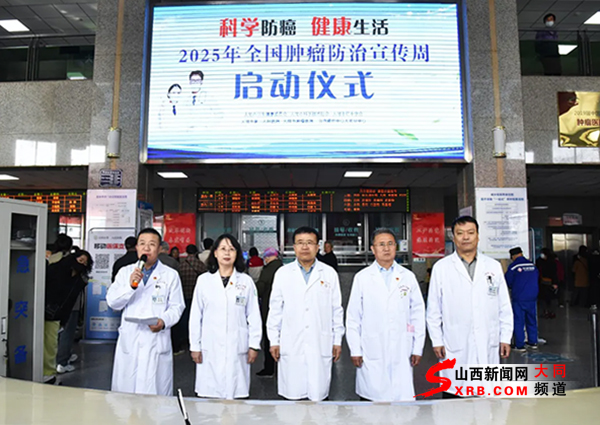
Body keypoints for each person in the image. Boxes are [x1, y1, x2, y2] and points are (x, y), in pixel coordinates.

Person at [426, 216, 513, 398]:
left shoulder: (493, 266)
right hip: (454, 342)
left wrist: (505, 337)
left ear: (478, 236)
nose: (465, 237)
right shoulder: (441, 268)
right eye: (460, 233)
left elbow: (504, 306)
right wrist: (437, 340)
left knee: (487, 400)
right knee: (454, 398)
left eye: (470, 233)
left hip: (487, 340)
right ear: (453, 237)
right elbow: (433, 310)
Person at [346, 228, 425, 401]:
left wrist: (417, 347)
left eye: (390, 244)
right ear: (373, 249)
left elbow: (418, 315)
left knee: (401, 403)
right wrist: (355, 349)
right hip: (371, 346)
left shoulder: (408, 277)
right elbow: (353, 317)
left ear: (396, 247)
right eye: (381, 244)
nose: (386, 248)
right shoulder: (362, 278)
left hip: (402, 346)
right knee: (372, 402)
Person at [267, 226, 345, 401]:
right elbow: (275, 310)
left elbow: (336, 310)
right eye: (300, 243)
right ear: (294, 247)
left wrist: (337, 340)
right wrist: (274, 340)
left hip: (320, 342)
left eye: (310, 243)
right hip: (291, 342)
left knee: (318, 399)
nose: (305, 247)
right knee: (293, 400)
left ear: (317, 247)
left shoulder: (329, 273)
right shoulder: (283, 274)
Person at [106, 228, 185, 396]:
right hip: (131, 338)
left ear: (159, 249)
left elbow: (177, 306)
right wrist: (130, 286)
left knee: (155, 397)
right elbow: (113, 302)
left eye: (152, 244)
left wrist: (163, 321)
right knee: (126, 398)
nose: (146, 248)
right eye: (142, 244)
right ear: (137, 248)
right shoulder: (125, 272)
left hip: (156, 339)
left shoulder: (170, 275)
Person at [189, 234, 262, 399]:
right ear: (215, 253)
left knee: (236, 396)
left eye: (231, 249)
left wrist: (254, 345)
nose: (227, 253)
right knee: (209, 399)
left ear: (237, 254)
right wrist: (195, 346)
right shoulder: (204, 281)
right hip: (210, 346)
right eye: (223, 249)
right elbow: (196, 316)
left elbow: (253, 316)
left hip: (237, 346)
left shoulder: (246, 281)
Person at [44, 250, 92, 383]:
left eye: (85, 263)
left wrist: (63, 319)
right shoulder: (56, 270)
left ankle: (48, 373)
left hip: (57, 315)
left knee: (51, 343)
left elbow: (70, 301)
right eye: (80, 260)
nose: (82, 264)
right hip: (44, 309)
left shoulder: (79, 280)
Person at [172, 244, 207, 354]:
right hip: (196, 296)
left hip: (184, 294)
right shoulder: (200, 264)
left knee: (184, 317)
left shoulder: (181, 265)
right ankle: (194, 338)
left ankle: (184, 337)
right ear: (196, 252)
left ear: (187, 252)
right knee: (197, 317)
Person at [255, 247, 283, 377]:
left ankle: (269, 368)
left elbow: (260, 288)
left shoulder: (268, 270)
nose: (265, 259)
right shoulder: (282, 268)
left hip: (269, 307)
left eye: (266, 257)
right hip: (283, 309)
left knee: (269, 338)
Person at [505, 247, 539, 352]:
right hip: (532, 297)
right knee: (532, 319)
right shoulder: (532, 265)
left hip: (519, 297)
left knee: (519, 321)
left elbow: (507, 281)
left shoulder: (514, 266)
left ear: (513, 256)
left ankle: (520, 345)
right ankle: (533, 342)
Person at [536, 248, 558, 319]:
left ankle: (549, 312)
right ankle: (547, 312)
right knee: (544, 299)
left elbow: (554, 273)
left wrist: (555, 283)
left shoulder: (550, 262)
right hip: (544, 283)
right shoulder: (541, 261)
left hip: (546, 283)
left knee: (548, 299)